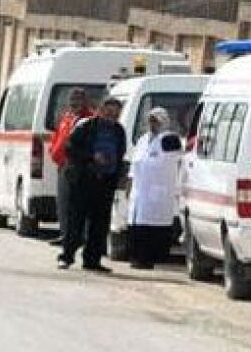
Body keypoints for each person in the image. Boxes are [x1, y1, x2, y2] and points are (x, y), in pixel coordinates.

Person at [58, 97, 127, 273]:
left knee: (100, 224)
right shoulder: (86, 126)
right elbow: (69, 148)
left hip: (105, 182)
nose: (111, 116)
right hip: (83, 181)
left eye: (115, 114)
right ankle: (66, 256)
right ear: (101, 110)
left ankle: (92, 260)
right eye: (108, 112)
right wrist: (91, 157)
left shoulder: (118, 131)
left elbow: (120, 153)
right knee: (76, 221)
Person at [127, 107, 184, 270]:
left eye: (156, 121)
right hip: (139, 192)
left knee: (153, 227)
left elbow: (179, 157)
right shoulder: (143, 139)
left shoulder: (170, 139)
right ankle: (137, 257)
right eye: (150, 121)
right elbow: (135, 163)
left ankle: (150, 259)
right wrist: (129, 184)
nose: (152, 124)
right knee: (137, 226)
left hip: (158, 191)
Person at [48, 88, 96, 247]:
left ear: (85, 101)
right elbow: (57, 137)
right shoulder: (67, 117)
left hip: (78, 166)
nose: (74, 103)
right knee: (63, 203)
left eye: (78, 99)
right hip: (63, 165)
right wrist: (53, 152)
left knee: (76, 205)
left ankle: (76, 238)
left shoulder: (89, 119)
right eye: (72, 100)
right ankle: (64, 234)